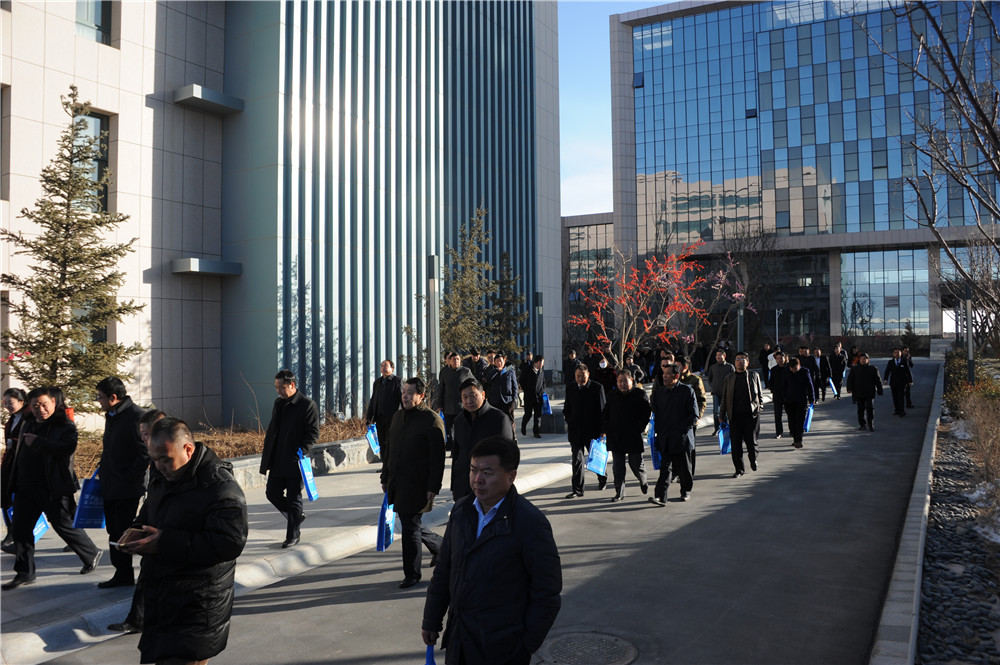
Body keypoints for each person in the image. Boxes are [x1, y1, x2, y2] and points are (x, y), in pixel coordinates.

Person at [119, 417, 248, 665]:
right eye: (154, 459)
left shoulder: (219, 486)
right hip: (164, 597)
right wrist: (137, 530)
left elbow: (230, 543)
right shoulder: (161, 475)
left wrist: (164, 542)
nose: (159, 466)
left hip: (198, 604)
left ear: (188, 449)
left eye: (165, 459)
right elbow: (150, 510)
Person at [422, 436, 562, 664]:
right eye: (473, 470)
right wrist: (431, 620)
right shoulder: (461, 511)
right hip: (460, 639)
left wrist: (525, 645)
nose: (477, 479)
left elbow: (547, 592)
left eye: (487, 473)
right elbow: (444, 570)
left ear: (511, 476)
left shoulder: (530, 522)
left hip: (503, 648)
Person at [2, 387, 103, 590]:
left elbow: (67, 448)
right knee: (20, 529)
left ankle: (91, 553)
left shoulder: (64, 424)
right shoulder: (28, 422)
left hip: (52, 486)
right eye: (36, 405)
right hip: (25, 486)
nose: (40, 409)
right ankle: (24, 573)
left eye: (44, 404)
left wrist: (39, 442)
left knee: (63, 524)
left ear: (53, 403)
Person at [380, 377, 446, 588]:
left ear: (421, 396)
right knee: (411, 524)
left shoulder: (431, 420)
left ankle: (412, 574)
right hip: (397, 481)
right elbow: (389, 450)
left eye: (410, 393)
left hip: (418, 483)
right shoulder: (397, 417)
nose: (405, 396)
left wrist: (433, 486)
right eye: (404, 392)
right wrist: (384, 476)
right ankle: (441, 547)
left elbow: (438, 459)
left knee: (410, 527)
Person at [107, 409, 166, 636]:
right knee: (148, 571)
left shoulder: (174, 460)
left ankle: (142, 619)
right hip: (159, 525)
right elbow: (153, 499)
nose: (143, 439)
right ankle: (138, 619)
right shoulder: (157, 459)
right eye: (142, 434)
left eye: (147, 434)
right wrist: (136, 526)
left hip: (174, 530)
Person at [94, 376, 150, 589]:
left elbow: (144, 452)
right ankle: (122, 572)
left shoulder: (136, 416)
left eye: (100, 397)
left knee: (122, 530)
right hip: (111, 484)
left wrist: (129, 475)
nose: (98, 401)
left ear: (113, 397)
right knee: (113, 530)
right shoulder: (113, 415)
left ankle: (126, 573)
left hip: (126, 487)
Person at [260, 369, 320, 548]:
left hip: (295, 461)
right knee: (272, 493)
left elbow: (313, 434)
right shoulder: (278, 403)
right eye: (276, 387)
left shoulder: (307, 405)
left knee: (294, 498)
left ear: (292, 385)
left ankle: (293, 535)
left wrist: (300, 452)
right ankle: (297, 516)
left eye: (281, 387)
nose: (278, 391)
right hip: (278, 459)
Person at [451, 378, 513, 501]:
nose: (469, 401)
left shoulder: (499, 419)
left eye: (473, 395)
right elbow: (456, 456)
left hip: (489, 488)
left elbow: (507, 457)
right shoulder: (459, 420)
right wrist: (454, 486)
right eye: (464, 397)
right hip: (463, 488)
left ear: (483, 394)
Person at [649, 362, 698, 505]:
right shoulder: (659, 393)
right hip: (665, 438)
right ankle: (660, 496)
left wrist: (682, 430)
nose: (664, 377)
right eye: (663, 374)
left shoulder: (687, 391)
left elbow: (694, 415)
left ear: (676, 376)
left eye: (668, 374)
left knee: (684, 469)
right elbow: (656, 414)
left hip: (682, 438)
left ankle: (686, 491)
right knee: (665, 469)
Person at [603, 369, 650, 502]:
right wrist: (606, 428)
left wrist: (640, 427)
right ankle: (620, 492)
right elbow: (605, 413)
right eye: (620, 381)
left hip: (633, 436)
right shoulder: (611, 395)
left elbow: (646, 412)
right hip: (616, 436)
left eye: (625, 381)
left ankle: (643, 480)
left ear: (631, 381)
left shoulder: (639, 394)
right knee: (618, 467)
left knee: (635, 464)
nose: (622, 384)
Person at [562, 365, 607, 498]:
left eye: (583, 376)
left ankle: (602, 478)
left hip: (592, 431)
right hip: (575, 430)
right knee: (577, 460)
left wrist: (603, 430)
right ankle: (577, 489)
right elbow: (567, 407)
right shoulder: (570, 387)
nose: (580, 379)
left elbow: (603, 411)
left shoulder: (597, 388)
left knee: (595, 458)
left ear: (588, 375)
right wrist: (569, 419)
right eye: (578, 376)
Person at [719, 352, 764, 478]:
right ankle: (739, 469)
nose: (740, 361)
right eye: (738, 359)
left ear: (747, 363)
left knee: (751, 441)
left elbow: (760, 395)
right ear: (734, 362)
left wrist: (759, 408)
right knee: (736, 444)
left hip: (751, 415)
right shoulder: (729, 378)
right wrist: (721, 414)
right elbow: (724, 398)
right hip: (734, 416)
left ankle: (753, 459)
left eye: (743, 359)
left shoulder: (754, 376)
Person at [1, 387, 28, 553]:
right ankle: (12, 533)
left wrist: (15, 441)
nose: (7, 406)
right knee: (5, 498)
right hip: (10, 463)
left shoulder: (28, 419)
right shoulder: (12, 420)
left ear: (21, 402)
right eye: (5, 403)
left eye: (10, 403)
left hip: (23, 465)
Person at [437, 353, 474, 450]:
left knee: (461, 428)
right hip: (448, 406)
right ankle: (452, 448)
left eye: (457, 359)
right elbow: (441, 389)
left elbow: (474, 385)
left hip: (462, 406)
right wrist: (440, 404)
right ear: (449, 361)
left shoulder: (466, 371)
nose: (456, 361)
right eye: (453, 359)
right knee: (449, 430)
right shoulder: (445, 372)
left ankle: (461, 447)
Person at [364, 359, 402, 451]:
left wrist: (402, 416)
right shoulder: (377, 382)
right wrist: (369, 417)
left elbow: (402, 399)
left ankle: (390, 459)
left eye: (386, 366)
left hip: (392, 417)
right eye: (382, 366)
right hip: (379, 417)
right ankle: (384, 459)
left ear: (392, 368)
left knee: (390, 442)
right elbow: (373, 399)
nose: (383, 368)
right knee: (381, 442)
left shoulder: (397, 381)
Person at [846, 353, 883, 431]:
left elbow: (878, 380)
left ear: (868, 360)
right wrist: (849, 388)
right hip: (858, 392)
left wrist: (880, 389)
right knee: (860, 410)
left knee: (870, 408)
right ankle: (862, 424)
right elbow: (850, 379)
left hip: (869, 392)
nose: (863, 360)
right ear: (859, 360)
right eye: (861, 359)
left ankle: (870, 424)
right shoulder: (855, 369)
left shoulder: (873, 369)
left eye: (865, 359)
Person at [783, 358, 814, 449]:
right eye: (791, 368)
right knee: (792, 421)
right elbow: (783, 385)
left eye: (795, 368)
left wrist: (811, 398)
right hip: (789, 401)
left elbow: (809, 385)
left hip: (801, 401)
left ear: (799, 365)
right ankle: (795, 438)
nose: (793, 370)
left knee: (800, 421)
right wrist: (783, 398)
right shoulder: (786, 371)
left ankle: (798, 440)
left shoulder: (805, 371)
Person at [483, 351, 518, 425]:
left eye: (500, 361)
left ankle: (511, 432)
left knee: (509, 421)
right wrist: (495, 371)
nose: (499, 363)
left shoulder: (509, 370)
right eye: (497, 361)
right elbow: (486, 380)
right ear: (494, 362)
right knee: (495, 421)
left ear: (504, 361)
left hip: (507, 401)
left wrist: (514, 399)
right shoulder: (491, 370)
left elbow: (514, 386)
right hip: (495, 400)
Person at [705, 348, 734, 435]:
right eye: (717, 355)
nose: (718, 357)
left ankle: (725, 427)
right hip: (716, 393)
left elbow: (733, 379)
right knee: (715, 411)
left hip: (726, 393)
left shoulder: (730, 367)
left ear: (724, 356)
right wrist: (713, 386)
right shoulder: (713, 367)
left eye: (720, 355)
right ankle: (716, 428)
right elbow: (710, 379)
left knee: (725, 411)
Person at [519, 354, 546, 438]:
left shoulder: (541, 371)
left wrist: (542, 391)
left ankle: (536, 432)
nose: (542, 365)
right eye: (542, 363)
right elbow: (521, 380)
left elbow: (543, 382)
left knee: (537, 416)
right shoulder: (527, 369)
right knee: (528, 414)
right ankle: (523, 426)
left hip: (539, 397)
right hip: (529, 396)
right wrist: (526, 390)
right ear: (537, 362)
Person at [883, 348, 914, 417]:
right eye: (895, 353)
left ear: (901, 353)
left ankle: (902, 411)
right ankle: (897, 410)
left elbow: (908, 371)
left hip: (902, 383)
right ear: (893, 354)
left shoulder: (904, 361)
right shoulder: (890, 362)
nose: (897, 354)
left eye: (898, 352)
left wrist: (910, 380)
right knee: (895, 397)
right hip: (893, 383)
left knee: (901, 397)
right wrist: (885, 379)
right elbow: (887, 371)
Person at [768, 351, 791, 439]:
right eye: (777, 358)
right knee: (778, 415)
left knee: (790, 414)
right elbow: (771, 382)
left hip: (788, 395)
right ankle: (779, 432)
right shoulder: (774, 369)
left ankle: (792, 430)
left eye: (781, 358)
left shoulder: (789, 368)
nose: (780, 360)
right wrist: (773, 390)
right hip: (777, 396)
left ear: (785, 358)